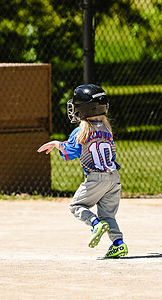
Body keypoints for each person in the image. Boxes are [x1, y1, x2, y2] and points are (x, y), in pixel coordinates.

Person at [37, 84, 128, 259]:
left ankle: (94, 224)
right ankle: (118, 244)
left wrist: (57, 144)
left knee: (77, 206)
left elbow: (68, 154)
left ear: (83, 109)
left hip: (95, 179)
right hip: (114, 178)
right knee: (108, 215)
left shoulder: (81, 131)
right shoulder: (107, 129)